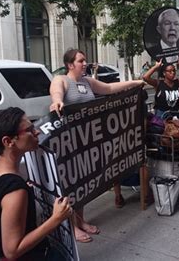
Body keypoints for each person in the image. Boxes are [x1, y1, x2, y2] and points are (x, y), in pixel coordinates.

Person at [49, 48, 144, 243]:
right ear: (70, 65)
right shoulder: (62, 80)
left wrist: (136, 82)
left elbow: (109, 89)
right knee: (72, 184)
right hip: (71, 143)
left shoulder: (87, 82)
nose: (85, 63)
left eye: (84, 60)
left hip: (87, 142)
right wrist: (57, 101)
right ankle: (72, 226)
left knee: (83, 183)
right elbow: (56, 91)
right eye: (81, 61)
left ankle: (81, 220)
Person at [0, 107, 72, 260]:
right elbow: (12, 251)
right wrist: (56, 218)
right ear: (8, 141)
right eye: (29, 129)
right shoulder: (15, 190)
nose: (37, 132)